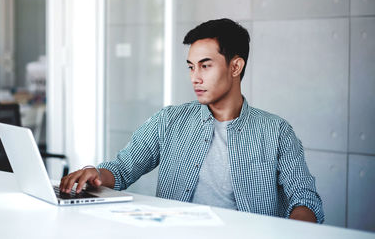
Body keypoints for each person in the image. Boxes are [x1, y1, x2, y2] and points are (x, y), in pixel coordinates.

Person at [60, 18, 324, 223]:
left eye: (205, 65)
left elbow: (305, 199)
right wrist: (96, 174)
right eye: (191, 66)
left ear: (235, 67)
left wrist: (293, 231)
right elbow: (121, 169)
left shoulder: (276, 132)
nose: (195, 77)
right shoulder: (169, 121)